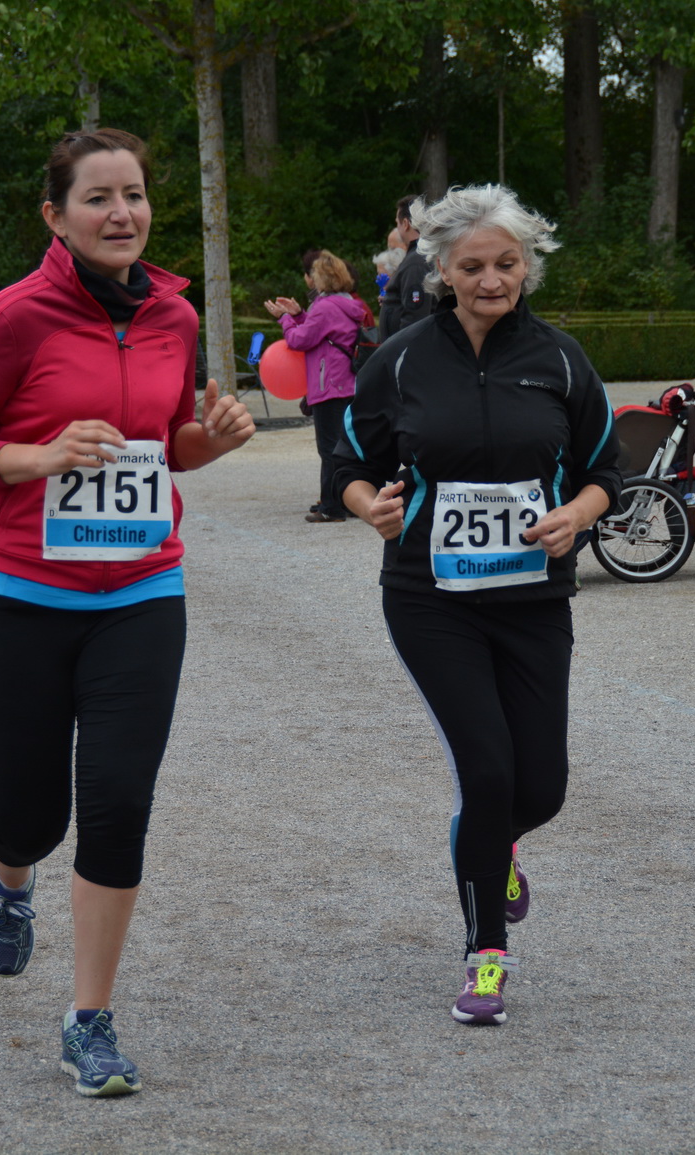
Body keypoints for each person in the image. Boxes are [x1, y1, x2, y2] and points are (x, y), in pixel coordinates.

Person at [0, 127, 253, 1098]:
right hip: (19, 599)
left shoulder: (174, 318)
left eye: (135, 195)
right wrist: (35, 456)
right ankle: (8, 881)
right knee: (30, 812)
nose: (122, 214)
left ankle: (90, 1019)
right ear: (55, 216)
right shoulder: (12, 317)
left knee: (117, 803)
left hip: (142, 594)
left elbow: (160, 448)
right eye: (99, 198)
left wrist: (210, 442)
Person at [333, 185, 621, 1027]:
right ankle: (485, 953)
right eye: (473, 266)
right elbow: (347, 461)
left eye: (506, 264)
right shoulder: (400, 360)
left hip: (533, 598)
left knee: (544, 785)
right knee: (487, 771)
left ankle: (492, 846)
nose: (492, 279)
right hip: (433, 598)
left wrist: (578, 514)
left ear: (526, 267)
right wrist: (366, 505)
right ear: (441, 272)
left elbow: (608, 467)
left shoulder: (563, 359)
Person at [263, 249, 365, 522]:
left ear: (324, 279)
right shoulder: (347, 305)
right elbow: (317, 330)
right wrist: (298, 314)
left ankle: (331, 507)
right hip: (347, 383)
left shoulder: (325, 306)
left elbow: (300, 340)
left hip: (327, 384)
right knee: (346, 446)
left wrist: (284, 319)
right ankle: (350, 502)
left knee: (329, 448)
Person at [378, 193, 434, 340]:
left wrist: (401, 352)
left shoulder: (416, 262)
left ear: (405, 223)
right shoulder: (418, 257)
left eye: (397, 223)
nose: (397, 227)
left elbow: (415, 317)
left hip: (406, 354)